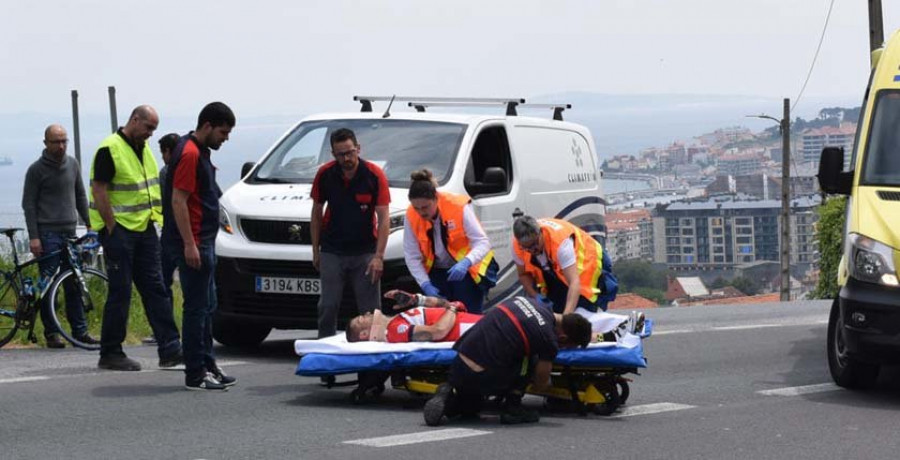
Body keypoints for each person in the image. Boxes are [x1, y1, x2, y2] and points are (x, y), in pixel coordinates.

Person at [89, 105, 182, 371]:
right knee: (120, 292)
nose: (151, 134)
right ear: (134, 120)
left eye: (153, 129)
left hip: (144, 229)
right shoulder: (111, 148)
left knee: (156, 288)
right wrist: (111, 227)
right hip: (120, 232)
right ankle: (111, 352)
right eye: (148, 128)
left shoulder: (143, 150)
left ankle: (170, 348)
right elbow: (99, 190)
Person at [424, 296, 593, 426]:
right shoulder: (548, 339)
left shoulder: (524, 300)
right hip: (483, 377)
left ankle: (448, 395)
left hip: (458, 365)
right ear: (563, 337)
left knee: (471, 408)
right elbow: (541, 382)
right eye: (568, 346)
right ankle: (513, 408)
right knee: (531, 358)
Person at [162, 102, 236, 391]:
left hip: (204, 239)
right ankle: (195, 373)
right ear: (207, 125)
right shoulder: (190, 153)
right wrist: (189, 245)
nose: (226, 138)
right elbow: (178, 201)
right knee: (196, 309)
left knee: (208, 307)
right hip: (194, 243)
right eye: (223, 132)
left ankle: (208, 364)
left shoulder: (198, 150)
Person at [21, 124, 97, 348]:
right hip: (47, 233)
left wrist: (90, 224)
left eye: (64, 141)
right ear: (46, 143)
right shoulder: (36, 170)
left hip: (70, 232)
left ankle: (79, 332)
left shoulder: (72, 164)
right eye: (56, 141)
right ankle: (51, 332)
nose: (61, 146)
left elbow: (81, 195)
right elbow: (29, 205)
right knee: (48, 284)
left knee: (73, 282)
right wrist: (34, 237)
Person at [311, 128, 390, 339]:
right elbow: (316, 212)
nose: (347, 158)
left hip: (365, 251)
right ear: (333, 155)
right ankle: (326, 357)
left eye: (350, 152)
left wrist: (378, 257)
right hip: (332, 249)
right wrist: (315, 251)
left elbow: (384, 219)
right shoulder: (325, 174)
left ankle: (372, 364)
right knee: (327, 306)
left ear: (358, 149)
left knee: (371, 310)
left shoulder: (374, 175)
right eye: (341, 154)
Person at [403, 169, 498, 313]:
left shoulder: (458, 207)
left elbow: (482, 242)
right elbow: (411, 255)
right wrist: (425, 284)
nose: (421, 212)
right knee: (440, 318)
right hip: (437, 272)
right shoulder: (411, 215)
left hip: (465, 270)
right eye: (417, 208)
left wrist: (466, 262)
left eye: (425, 207)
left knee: (469, 316)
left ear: (436, 198)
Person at [511, 215, 617, 315]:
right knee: (556, 307)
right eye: (527, 248)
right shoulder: (516, 246)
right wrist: (535, 296)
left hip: (588, 262)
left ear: (540, 233)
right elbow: (523, 275)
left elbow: (574, 282)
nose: (532, 250)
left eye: (535, 244)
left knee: (583, 309)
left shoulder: (560, 243)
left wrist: (566, 319)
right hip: (557, 271)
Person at [146, 132, 181, 346]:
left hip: (170, 234)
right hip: (191, 235)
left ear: (168, 151)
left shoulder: (167, 172)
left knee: (161, 283)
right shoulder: (192, 167)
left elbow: (165, 202)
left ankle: (166, 330)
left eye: (163, 153)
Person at [345, 290, 481, 343]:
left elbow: (443, 306)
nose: (367, 314)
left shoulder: (398, 319)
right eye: (361, 318)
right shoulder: (395, 331)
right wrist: (452, 308)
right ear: (364, 334)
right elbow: (438, 331)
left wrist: (416, 299)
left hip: (468, 321)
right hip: (466, 329)